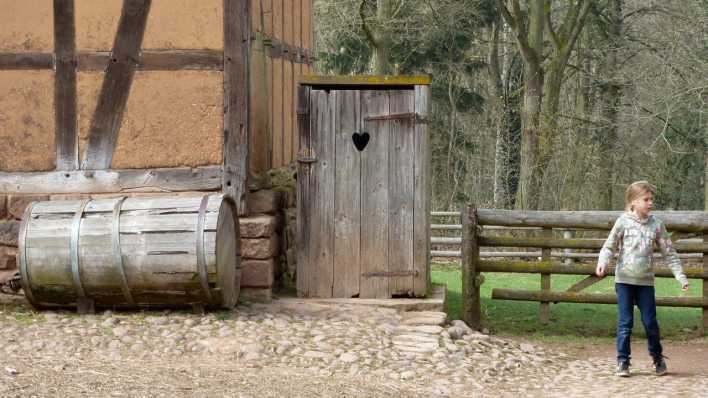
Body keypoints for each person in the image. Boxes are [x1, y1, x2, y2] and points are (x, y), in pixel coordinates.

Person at [595, 181, 690, 377]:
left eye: (651, 199)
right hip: (624, 281)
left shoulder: (657, 225)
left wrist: (680, 277)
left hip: (645, 283)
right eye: (646, 199)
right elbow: (609, 246)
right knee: (625, 323)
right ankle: (623, 362)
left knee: (650, 322)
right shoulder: (622, 222)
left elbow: (670, 253)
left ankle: (657, 359)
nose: (650, 203)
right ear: (633, 202)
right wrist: (603, 261)